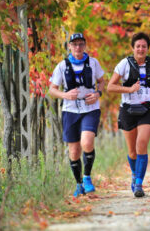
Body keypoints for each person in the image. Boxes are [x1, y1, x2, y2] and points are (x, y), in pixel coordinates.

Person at [107, 32, 150, 198]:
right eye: (138, 46)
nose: (141, 49)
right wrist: (129, 89)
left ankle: (139, 183)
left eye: (144, 46)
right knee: (132, 151)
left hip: (147, 109)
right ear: (132, 48)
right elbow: (111, 87)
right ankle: (134, 173)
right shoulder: (124, 64)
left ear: (148, 49)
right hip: (128, 109)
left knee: (141, 144)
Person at [49, 33, 105, 197]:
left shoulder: (93, 63)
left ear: (85, 45)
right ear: (69, 47)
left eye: (81, 44)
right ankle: (78, 183)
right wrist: (65, 95)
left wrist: (97, 93)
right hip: (70, 110)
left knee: (87, 143)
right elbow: (52, 89)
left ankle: (87, 177)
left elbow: (101, 81)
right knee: (74, 152)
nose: (78, 47)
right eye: (75, 44)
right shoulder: (61, 66)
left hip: (90, 108)